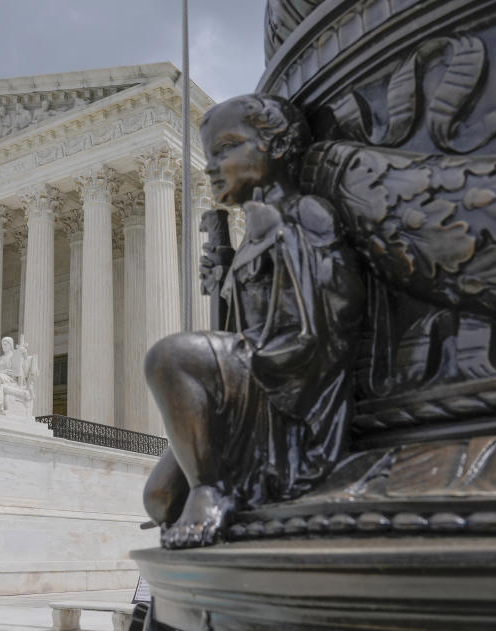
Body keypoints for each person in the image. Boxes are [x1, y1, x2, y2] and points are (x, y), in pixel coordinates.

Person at [142, 94, 365, 549]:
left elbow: (331, 313)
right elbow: (233, 331)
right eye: (210, 154)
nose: (211, 166)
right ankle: (209, 486)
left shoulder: (304, 213)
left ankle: (213, 489)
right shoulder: (251, 233)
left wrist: (277, 240)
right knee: (160, 499)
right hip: (252, 377)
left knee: (169, 356)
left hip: (290, 377)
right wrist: (225, 280)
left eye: (226, 148)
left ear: (276, 147)